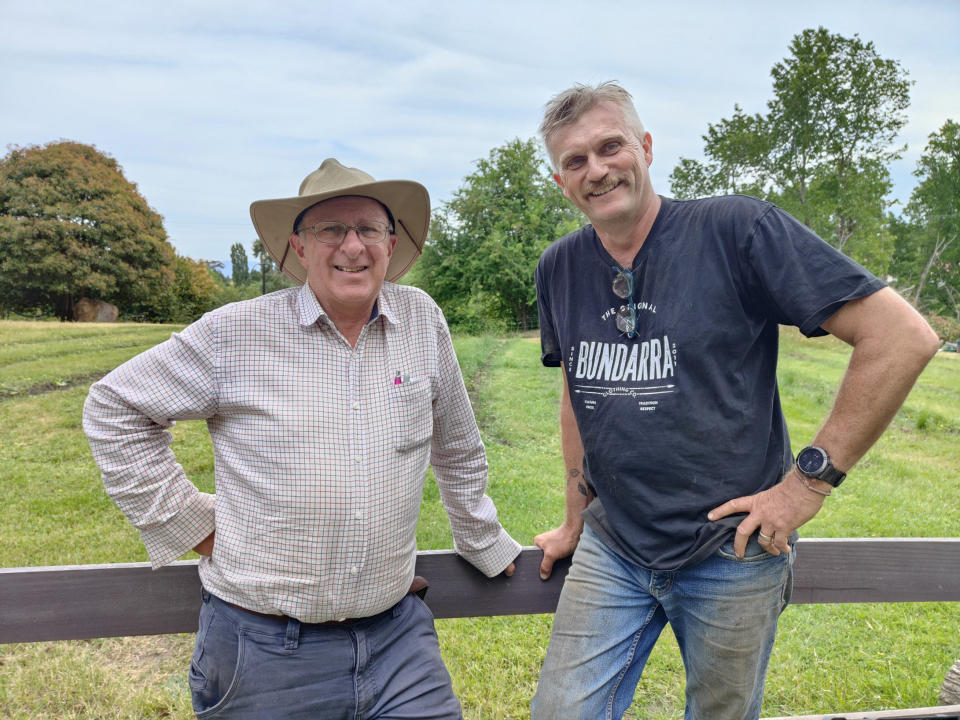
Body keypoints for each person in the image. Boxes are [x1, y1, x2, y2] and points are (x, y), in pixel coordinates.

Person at [529, 82, 940, 719]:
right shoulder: (558, 267)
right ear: (561, 182)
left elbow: (901, 336)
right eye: (575, 161)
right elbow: (576, 390)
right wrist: (575, 515)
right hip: (615, 546)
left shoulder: (736, 230)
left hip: (733, 551)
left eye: (610, 146)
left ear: (644, 147)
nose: (598, 169)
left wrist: (806, 486)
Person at [83, 158, 521, 720]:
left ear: (391, 242)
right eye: (331, 230)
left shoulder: (422, 320)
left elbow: (457, 446)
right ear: (299, 247)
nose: (352, 246)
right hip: (263, 649)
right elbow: (115, 407)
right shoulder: (234, 333)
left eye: (368, 229)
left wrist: (481, 540)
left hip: (397, 642)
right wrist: (192, 525)